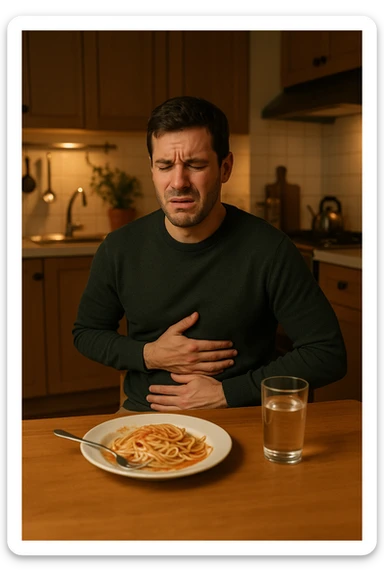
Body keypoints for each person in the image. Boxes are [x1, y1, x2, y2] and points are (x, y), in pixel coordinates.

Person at [73, 95, 347, 412]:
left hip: (241, 415)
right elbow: (87, 333)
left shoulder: (269, 249)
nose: (178, 182)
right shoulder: (119, 247)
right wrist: (150, 354)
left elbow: (327, 353)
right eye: (165, 166)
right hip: (144, 418)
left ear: (225, 167)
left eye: (196, 165)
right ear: (152, 169)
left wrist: (228, 393)